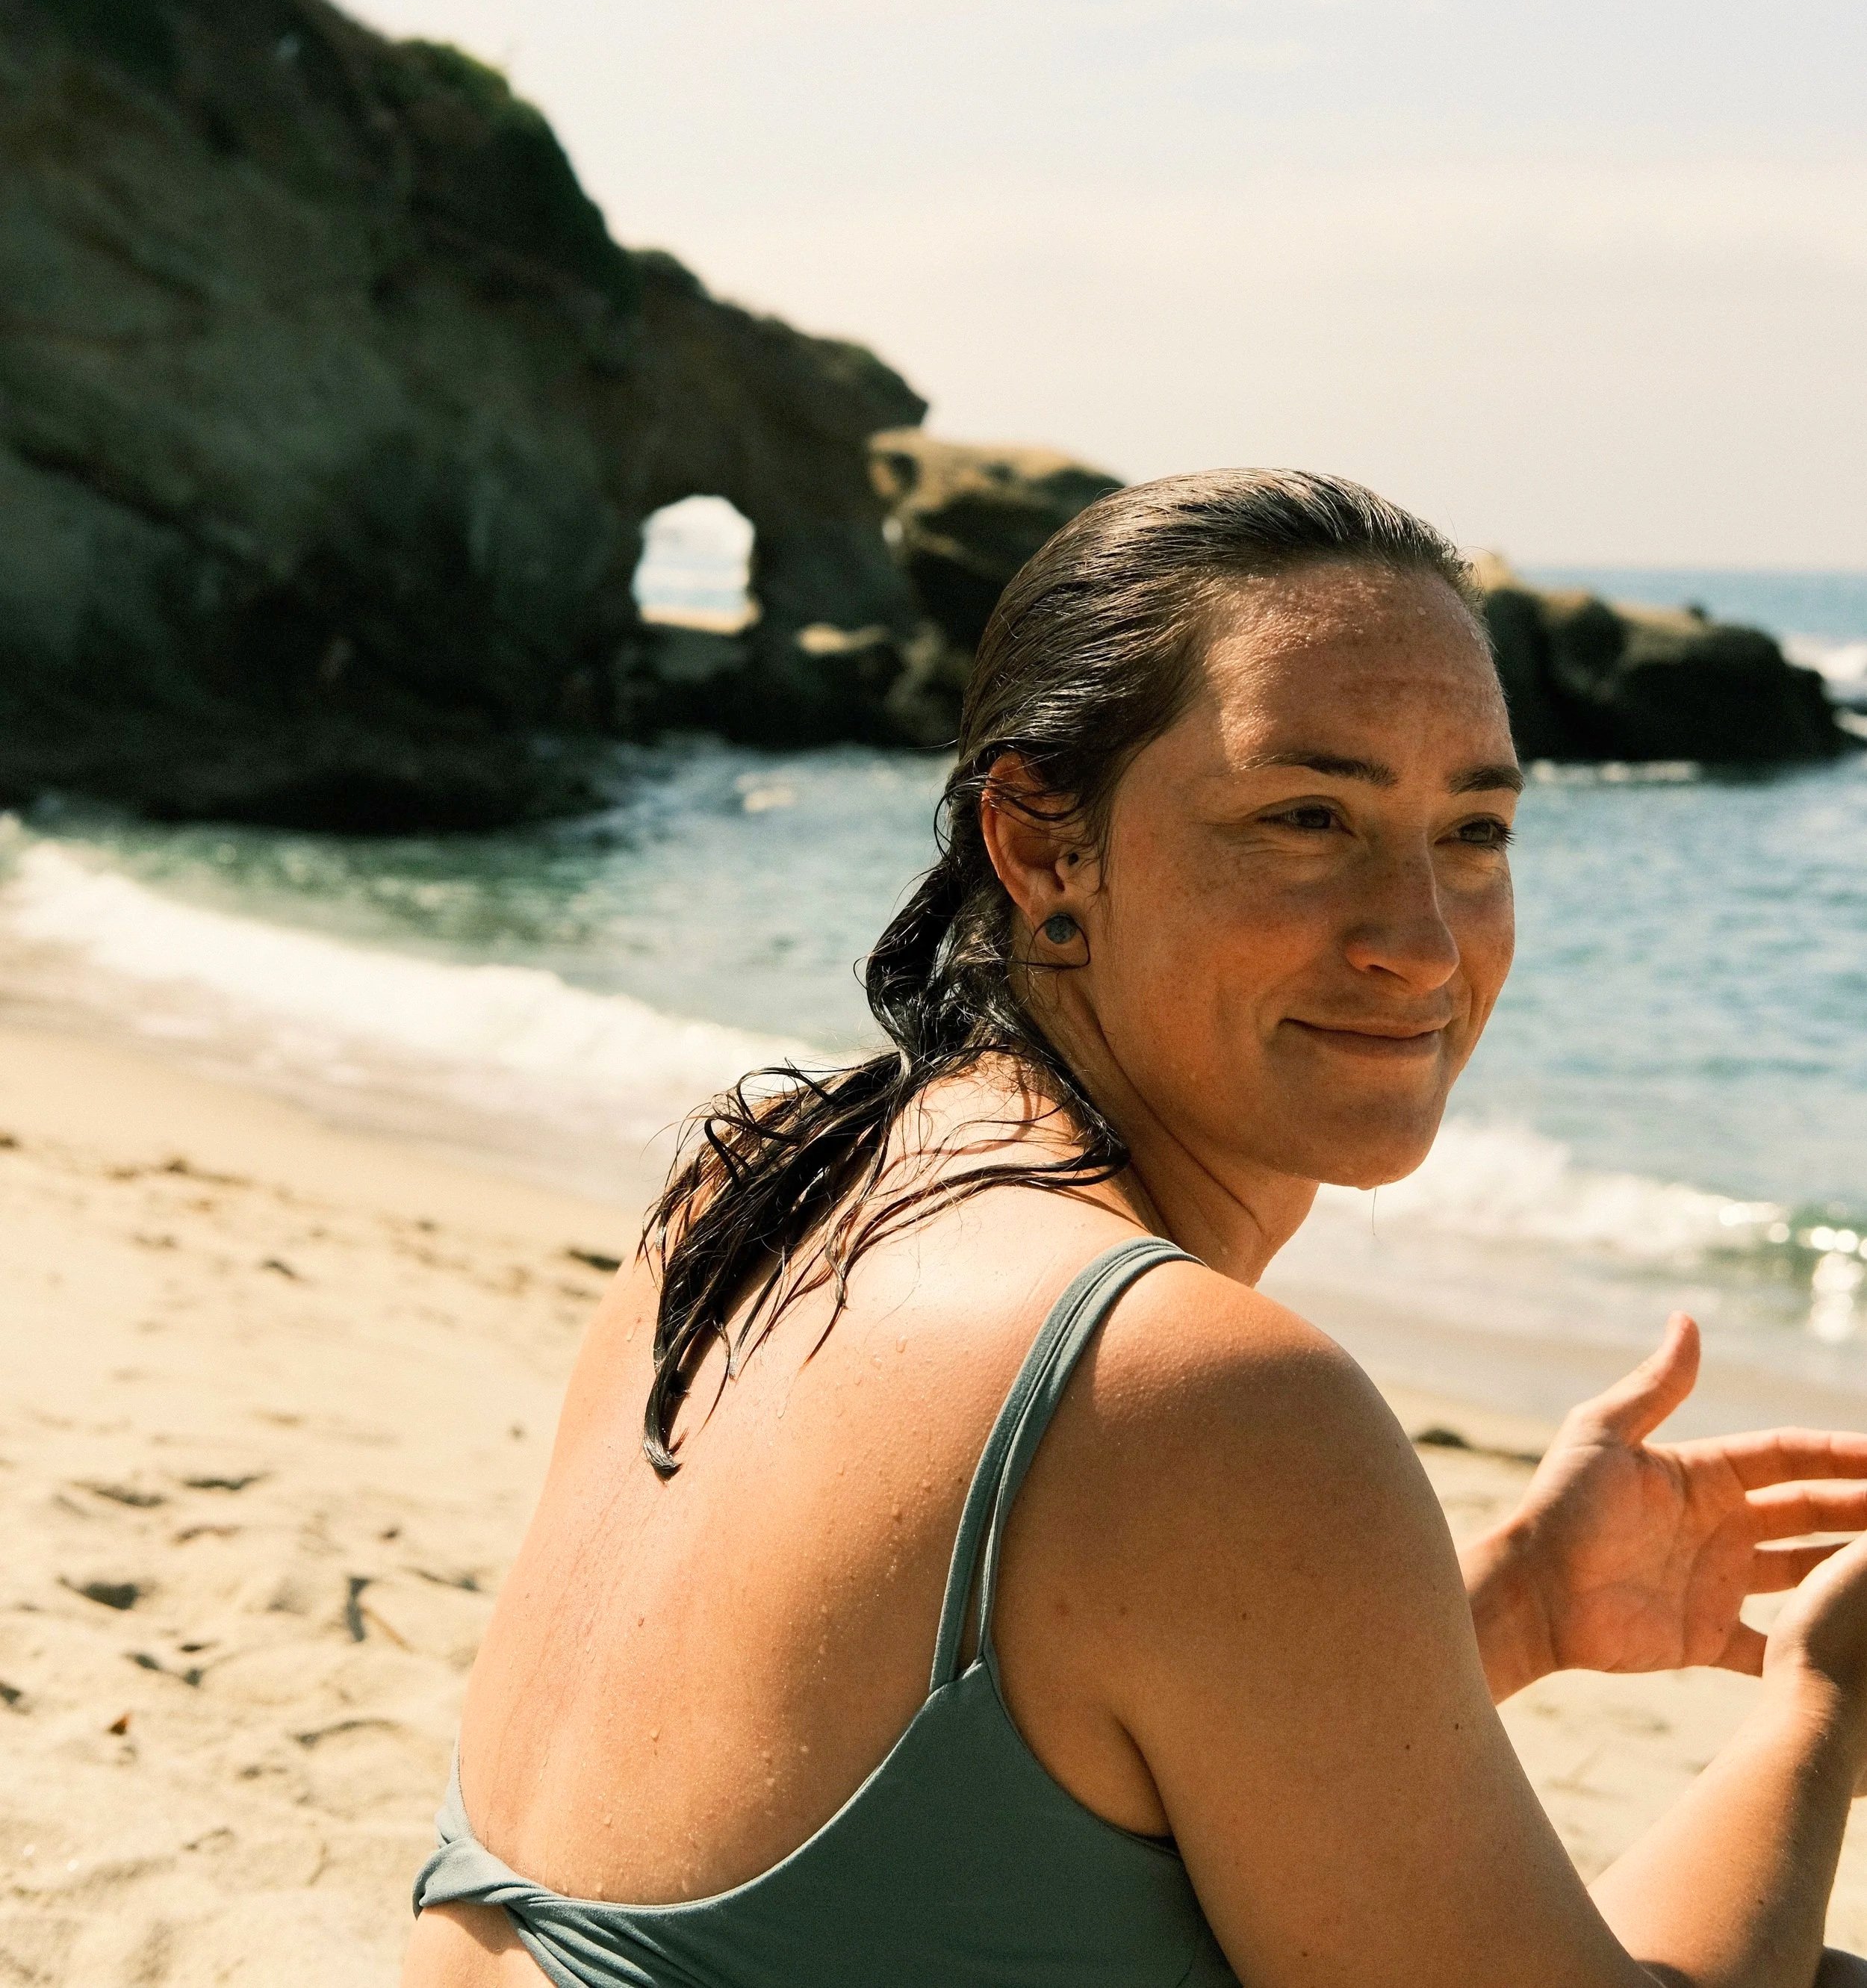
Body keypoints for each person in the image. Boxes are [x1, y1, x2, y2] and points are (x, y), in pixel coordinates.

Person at [404, 470, 1867, 1988]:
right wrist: (1821, 1712)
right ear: (1040, 849)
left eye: (1474, 829)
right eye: (1307, 817)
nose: (1419, 941)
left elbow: (952, 1821)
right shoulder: (1192, 1395)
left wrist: (1505, 1606)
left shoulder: (760, 1185)